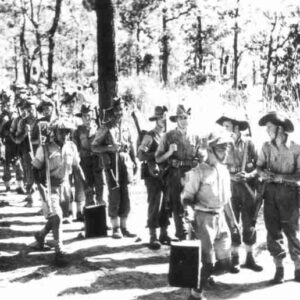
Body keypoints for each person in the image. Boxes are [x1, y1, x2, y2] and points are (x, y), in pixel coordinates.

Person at [181, 129, 240, 300]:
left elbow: (227, 200)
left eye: (226, 148)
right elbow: (187, 198)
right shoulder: (198, 172)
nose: (225, 152)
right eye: (221, 148)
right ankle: (195, 293)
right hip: (203, 219)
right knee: (206, 262)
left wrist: (234, 222)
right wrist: (190, 215)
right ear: (210, 150)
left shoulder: (224, 171)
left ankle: (203, 278)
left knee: (226, 263)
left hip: (220, 218)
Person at [32, 118, 86, 266]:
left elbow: (76, 166)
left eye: (67, 132)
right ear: (55, 132)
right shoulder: (45, 148)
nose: (65, 135)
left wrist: (84, 183)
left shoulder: (71, 147)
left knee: (56, 217)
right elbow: (35, 170)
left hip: (65, 185)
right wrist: (41, 188)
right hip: (50, 186)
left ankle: (41, 235)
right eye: (61, 132)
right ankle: (59, 250)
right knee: (57, 217)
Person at [256, 111, 300, 284]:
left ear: (280, 129)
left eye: (269, 127)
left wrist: (283, 178)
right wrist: (263, 173)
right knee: (272, 230)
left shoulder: (296, 148)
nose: (267, 131)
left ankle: (298, 268)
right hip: (270, 194)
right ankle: (279, 269)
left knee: (292, 231)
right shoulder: (266, 147)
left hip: (289, 195)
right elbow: (258, 167)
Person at [216, 114, 263, 272]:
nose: (225, 130)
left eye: (228, 126)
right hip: (230, 189)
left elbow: (260, 167)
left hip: (248, 188)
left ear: (237, 127)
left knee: (249, 223)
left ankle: (249, 258)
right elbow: (217, 166)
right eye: (224, 127)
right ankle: (234, 257)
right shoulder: (222, 144)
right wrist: (230, 176)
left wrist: (248, 175)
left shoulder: (249, 144)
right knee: (232, 222)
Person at [92, 98, 137, 239]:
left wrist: (135, 161)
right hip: (112, 163)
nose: (120, 112)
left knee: (126, 194)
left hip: (126, 162)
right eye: (117, 109)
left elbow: (131, 145)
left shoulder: (127, 127)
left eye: (122, 109)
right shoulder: (105, 127)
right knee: (114, 194)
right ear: (112, 111)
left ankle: (124, 227)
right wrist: (109, 148)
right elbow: (94, 146)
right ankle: (115, 227)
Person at [155, 104, 201, 240]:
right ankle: (181, 235)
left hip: (191, 174)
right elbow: (158, 158)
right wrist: (169, 152)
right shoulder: (168, 136)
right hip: (174, 174)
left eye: (186, 117)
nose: (183, 120)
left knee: (192, 203)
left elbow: (200, 155)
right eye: (181, 118)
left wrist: (199, 157)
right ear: (176, 120)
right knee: (177, 204)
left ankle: (193, 234)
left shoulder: (195, 137)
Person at [137, 105, 171, 250]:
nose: (163, 121)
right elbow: (140, 155)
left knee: (166, 203)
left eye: (165, 118)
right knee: (154, 203)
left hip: (167, 172)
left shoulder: (169, 135)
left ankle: (164, 232)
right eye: (160, 118)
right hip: (153, 174)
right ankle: (153, 235)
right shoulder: (149, 135)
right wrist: (157, 155)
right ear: (156, 119)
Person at [74, 104, 105, 219]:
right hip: (85, 162)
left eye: (89, 116)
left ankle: (101, 220)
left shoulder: (99, 128)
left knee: (100, 189)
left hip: (97, 161)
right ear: (81, 117)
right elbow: (76, 147)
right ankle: (90, 221)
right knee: (88, 190)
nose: (87, 118)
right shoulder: (78, 131)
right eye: (84, 116)